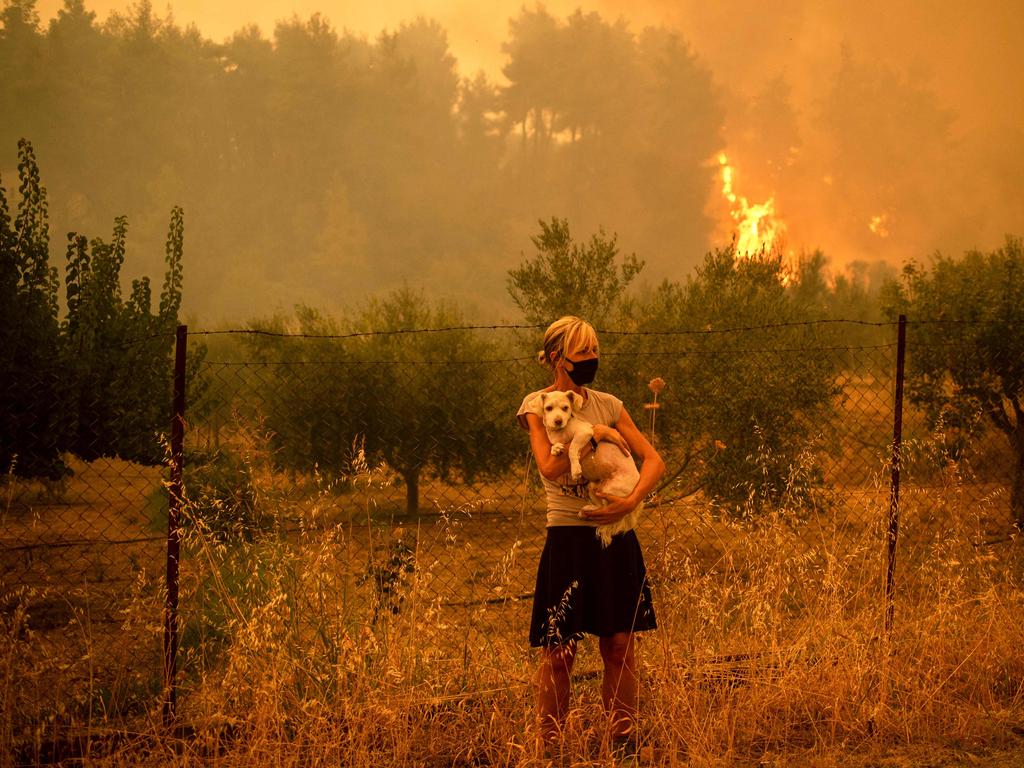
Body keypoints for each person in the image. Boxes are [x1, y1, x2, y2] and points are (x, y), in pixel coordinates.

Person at [516, 315, 665, 756]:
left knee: (620, 645)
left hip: (616, 534)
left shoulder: (609, 404)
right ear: (558, 357)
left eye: (595, 352)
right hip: (567, 536)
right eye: (583, 353)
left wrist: (631, 500)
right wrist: (598, 438)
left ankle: (623, 743)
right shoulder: (537, 405)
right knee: (559, 651)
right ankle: (552, 749)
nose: (592, 360)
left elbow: (654, 461)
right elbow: (549, 466)